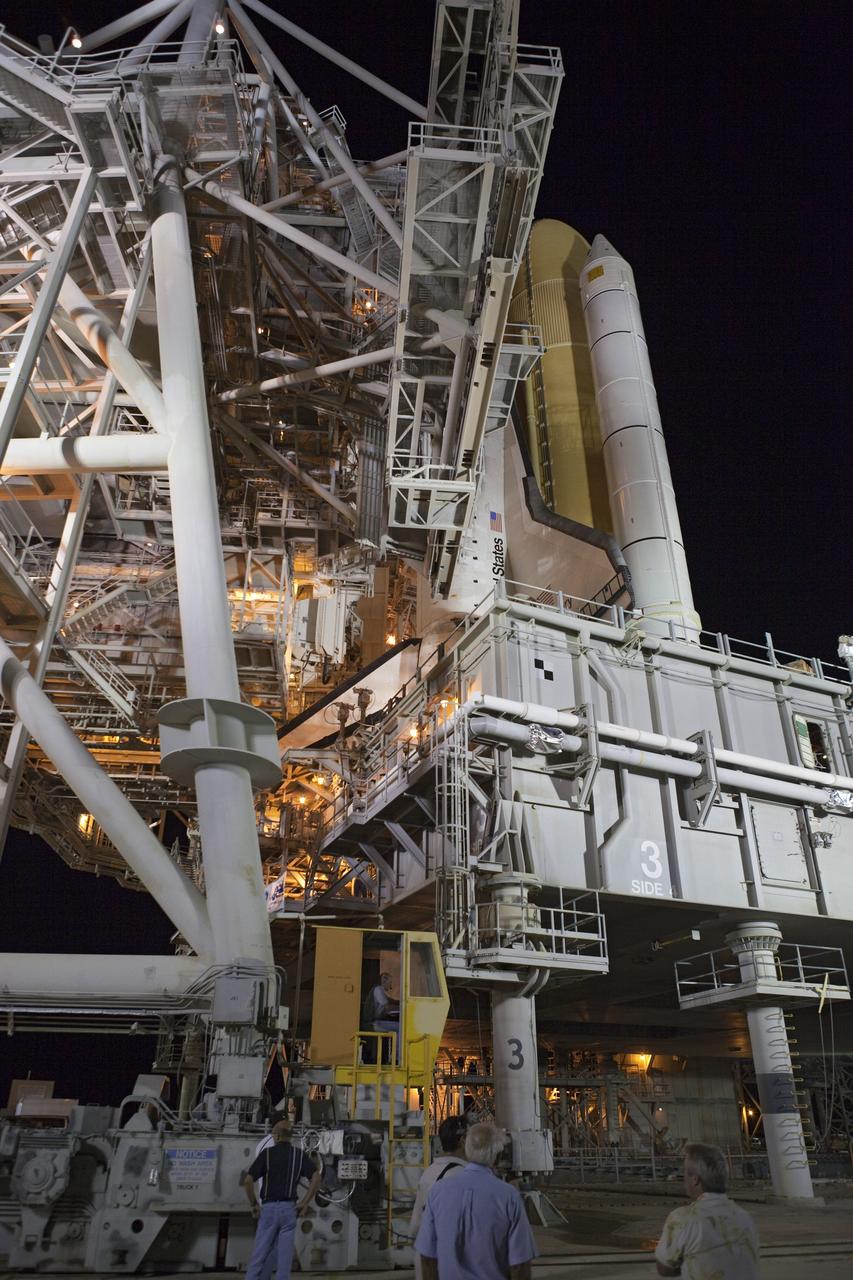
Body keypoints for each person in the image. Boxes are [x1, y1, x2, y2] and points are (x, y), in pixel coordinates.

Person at [415, 1122, 536, 1280]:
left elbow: (427, 1257)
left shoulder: (438, 1191)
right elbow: (520, 1264)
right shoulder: (509, 1196)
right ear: (498, 1157)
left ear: (467, 1149)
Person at [655, 1142, 760, 1279]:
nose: (684, 1179)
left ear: (695, 1179)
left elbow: (664, 1268)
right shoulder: (745, 1218)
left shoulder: (682, 1219)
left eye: (685, 1173)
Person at [241, 1119, 322, 1280]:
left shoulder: (267, 1154)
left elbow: (248, 1181)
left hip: (269, 1209)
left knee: (259, 1255)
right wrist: (304, 1202)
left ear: (277, 1136)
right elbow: (316, 1177)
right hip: (289, 1211)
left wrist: (254, 1204)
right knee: (284, 1262)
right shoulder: (299, 1155)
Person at [410, 1115, 468, 1280]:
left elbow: (415, 1225)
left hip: (426, 1260)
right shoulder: (463, 1177)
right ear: (463, 1141)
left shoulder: (430, 1172)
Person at [362, 971, 400, 1063]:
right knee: (400, 1027)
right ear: (384, 980)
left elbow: (391, 1001)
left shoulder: (378, 990)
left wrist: (399, 1003)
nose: (391, 986)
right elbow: (387, 1006)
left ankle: (394, 1056)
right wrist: (401, 1009)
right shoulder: (378, 990)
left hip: (374, 1022)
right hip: (372, 1024)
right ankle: (397, 1057)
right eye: (390, 982)